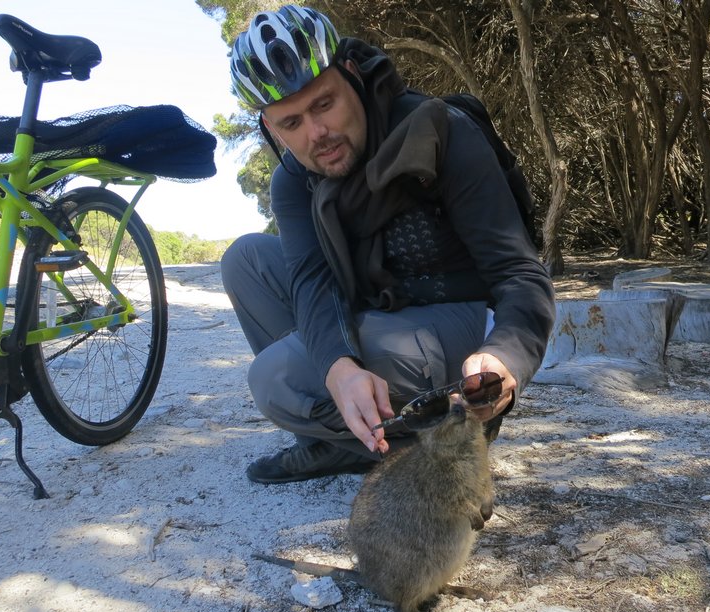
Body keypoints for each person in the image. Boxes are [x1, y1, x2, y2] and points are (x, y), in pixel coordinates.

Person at [222, 5, 555, 484]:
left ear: (352, 76)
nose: (317, 134)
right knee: (246, 259)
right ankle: (342, 441)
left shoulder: (440, 129)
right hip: (375, 311)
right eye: (291, 123)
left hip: (458, 322)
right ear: (271, 129)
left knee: (276, 378)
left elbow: (520, 273)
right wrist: (339, 368)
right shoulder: (294, 179)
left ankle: (447, 436)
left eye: (324, 104)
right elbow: (312, 285)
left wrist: (505, 357)